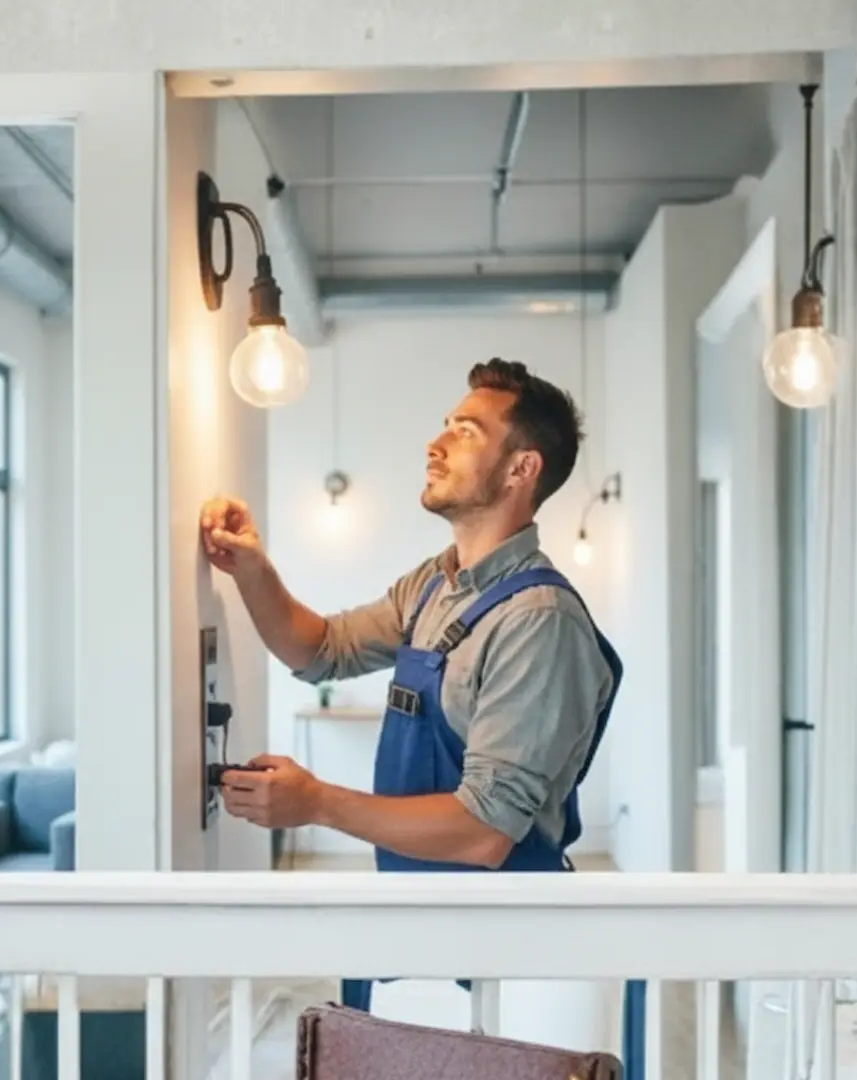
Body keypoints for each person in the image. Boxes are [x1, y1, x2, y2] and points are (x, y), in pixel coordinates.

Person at [198, 357, 624, 1013]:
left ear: (522, 469)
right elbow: (321, 649)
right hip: (417, 929)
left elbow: (486, 829)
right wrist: (250, 568)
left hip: (501, 966)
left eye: (467, 431)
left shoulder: (538, 621)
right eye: (445, 425)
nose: (437, 442)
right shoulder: (433, 584)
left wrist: (316, 802)